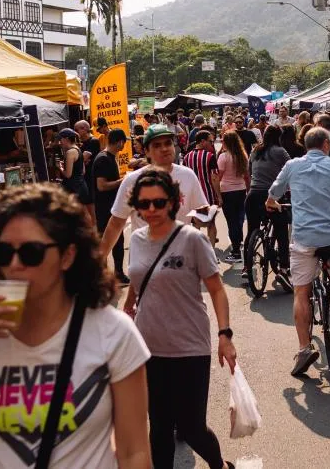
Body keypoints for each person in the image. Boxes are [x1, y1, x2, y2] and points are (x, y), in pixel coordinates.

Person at [0, 185, 151, 468]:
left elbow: (133, 452)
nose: (14, 264)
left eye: (31, 253)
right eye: (3, 253)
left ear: (67, 256)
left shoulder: (112, 332)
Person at [121, 169, 237, 469]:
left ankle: (220, 466)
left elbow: (216, 289)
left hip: (189, 347)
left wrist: (225, 335)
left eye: (158, 203)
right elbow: (137, 279)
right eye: (144, 204)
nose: (151, 210)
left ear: (173, 202)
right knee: (159, 428)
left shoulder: (191, 239)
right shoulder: (136, 239)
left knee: (191, 428)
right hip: (149, 346)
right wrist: (127, 310)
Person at [266, 127, 330, 376]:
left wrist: (272, 203)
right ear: (327, 145)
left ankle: (304, 348)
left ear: (305, 145)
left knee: (301, 291)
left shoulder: (293, 165)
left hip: (305, 238)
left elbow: (273, 193)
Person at [95, 124, 208, 264]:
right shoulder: (132, 180)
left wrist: (204, 216)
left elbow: (201, 215)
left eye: (168, 143)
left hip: (181, 262)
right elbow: (116, 223)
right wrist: (98, 265)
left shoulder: (188, 176)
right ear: (146, 152)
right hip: (145, 263)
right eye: (157, 145)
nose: (164, 148)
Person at [247, 126, 291, 275]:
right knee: (281, 233)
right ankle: (284, 267)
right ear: (279, 137)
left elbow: (249, 171)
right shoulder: (280, 151)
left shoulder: (255, 150)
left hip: (253, 194)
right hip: (272, 196)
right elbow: (290, 170)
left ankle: (247, 266)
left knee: (252, 229)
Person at [93, 129, 131, 284]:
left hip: (111, 206)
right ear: (120, 142)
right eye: (124, 141)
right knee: (107, 241)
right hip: (105, 208)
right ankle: (106, 275)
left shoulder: (109, 157)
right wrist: (123, 181)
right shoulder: (103, 159)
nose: (125, 144)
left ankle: (116, 273)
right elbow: (101, 186)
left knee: (117, 241)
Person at [183, 129, 221, 245]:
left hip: (192, 196)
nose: (212, 144)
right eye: (210, 141)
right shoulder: (210, 156)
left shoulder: (187, 157)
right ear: (203, 141)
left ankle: (195, 249)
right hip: (207, 196)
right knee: (211, 223)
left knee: (195, 223)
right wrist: (219, 196)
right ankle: (211, 250)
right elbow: (214, 178)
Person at [218, 131, 250, 263]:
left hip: (227, 190)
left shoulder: (223, 157)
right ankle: (238, 241)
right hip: (241, 189)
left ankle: (236, 251)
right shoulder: (243, 155)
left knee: (231, 221)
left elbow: (218, 176)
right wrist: (248, 190)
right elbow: (247, 176)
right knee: (238, 218)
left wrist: (217, 193)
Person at [58, 128, 94, 221]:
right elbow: (83, 171)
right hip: (81, 185)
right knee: (84, 213)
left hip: (74, 188)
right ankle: (92, 231)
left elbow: (68, 175)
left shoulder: (70, 152)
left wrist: (60, 167)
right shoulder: (78, 149)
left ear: (66, 139)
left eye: (60, 139)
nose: (59, 142)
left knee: (78, 215)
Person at [74, 119, 102, 195]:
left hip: (91, 177)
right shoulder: (80, 143)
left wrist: (79, 160)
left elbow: (80, 160)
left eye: (76, 130)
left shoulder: (93, 141)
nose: (75, 133)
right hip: (84, 177)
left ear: (84, 129)